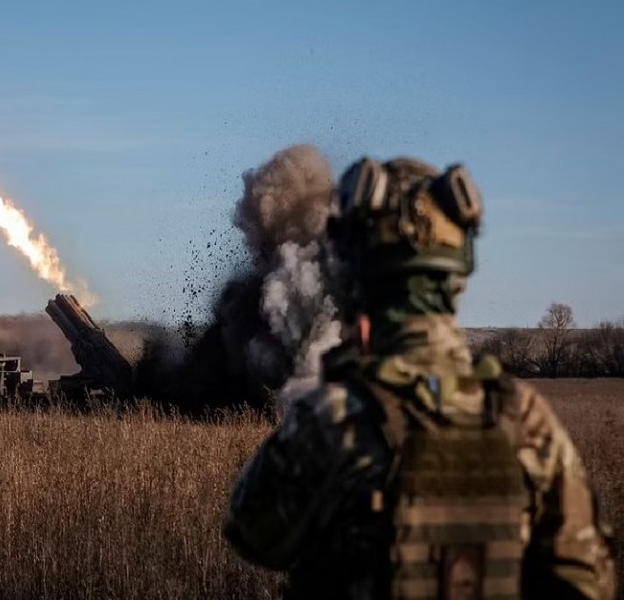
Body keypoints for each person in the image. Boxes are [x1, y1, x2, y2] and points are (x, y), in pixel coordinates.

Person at [223, 157, 616, 599]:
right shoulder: (526, 420)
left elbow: (249, 533)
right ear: (458, 275)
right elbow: (588, 579)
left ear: (356, 274)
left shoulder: (331, 420)